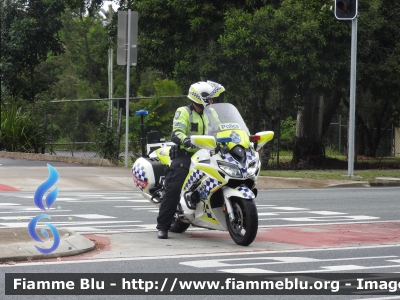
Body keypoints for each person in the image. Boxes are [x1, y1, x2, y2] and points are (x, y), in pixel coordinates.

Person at [156, 80, 225, 239]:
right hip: (185, 154)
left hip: (207, 153)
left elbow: (220, 129)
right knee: (175, 185)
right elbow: (177, 133)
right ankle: (163, 226)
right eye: (209, 98)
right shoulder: (184, 112)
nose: (211, 101)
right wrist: (186, 140)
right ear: (199, 98)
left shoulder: (211, 113)